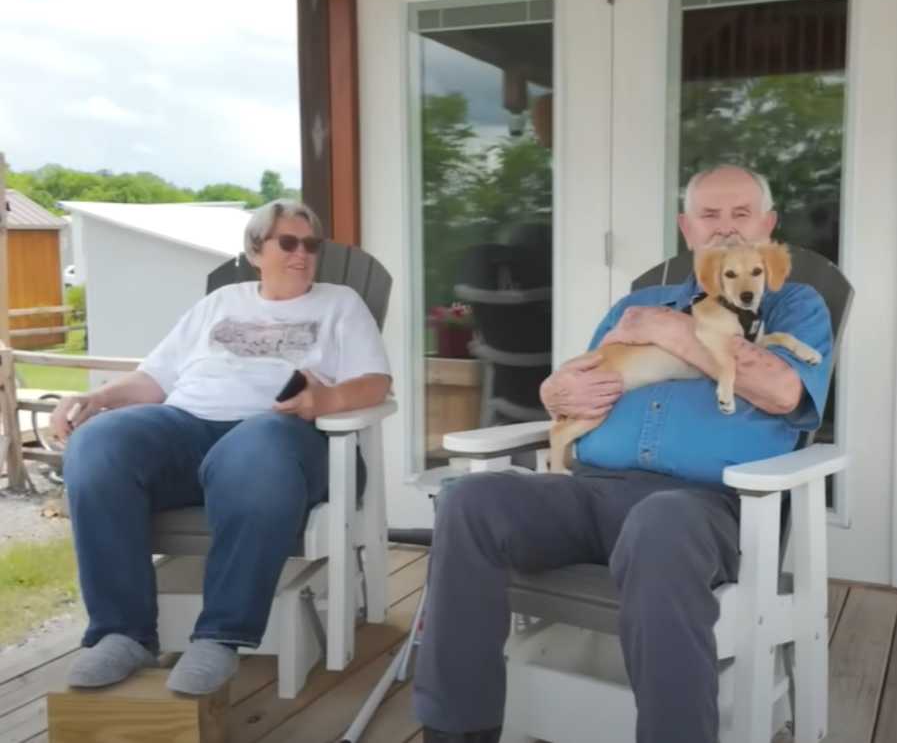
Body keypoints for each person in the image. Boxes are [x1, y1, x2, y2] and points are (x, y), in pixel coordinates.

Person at [413, 165, 833, 743]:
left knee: (658, 524)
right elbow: (576, 382)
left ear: (768, 224)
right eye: (710, 216)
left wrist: (672, 331)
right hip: (589, 492)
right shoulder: (637, 303)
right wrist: (553, 391)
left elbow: (785, 392)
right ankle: (457, 729)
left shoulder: (794, 307)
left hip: (700, 509)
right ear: (687, 229)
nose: (727, 230)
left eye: (742, 215)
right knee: (468, 501)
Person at [52, 200, 391, 695]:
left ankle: (220, 636)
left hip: (283, 436)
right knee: (98, 443)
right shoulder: (219, 303)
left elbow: (376, 383)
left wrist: (328, 398)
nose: (303, 254)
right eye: (288, 243)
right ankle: (122, 633)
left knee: (253, 446)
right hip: (188, 428)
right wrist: (96, 398)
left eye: (311, 245)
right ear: (256, 251)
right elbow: (156, 377)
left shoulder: (340, 303)